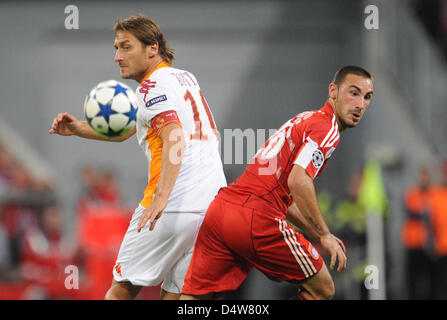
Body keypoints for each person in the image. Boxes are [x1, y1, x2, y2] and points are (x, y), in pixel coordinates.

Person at [49, 14, 226, 300]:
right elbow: (134, 128)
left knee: (121, 290)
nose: (117, 56)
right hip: (211, 208)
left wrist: (161, 198)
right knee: (176, 294)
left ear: (152, 48)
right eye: (116, 48)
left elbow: (173, 136)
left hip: (171, 208)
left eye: (126, 47)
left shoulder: (150, 88)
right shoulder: (185, 79)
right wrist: (78, 128)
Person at [181, 65, 374, 300]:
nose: (360, 104)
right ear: (333, 91)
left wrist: (315, 233)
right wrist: (324, 234)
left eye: (367, 97)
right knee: (322, 288)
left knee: (195, 300)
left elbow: (285, 195)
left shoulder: (305, 119)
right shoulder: (327, 129)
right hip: (257, 217)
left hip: (222, 210)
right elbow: (298, 180)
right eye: (353, 93)